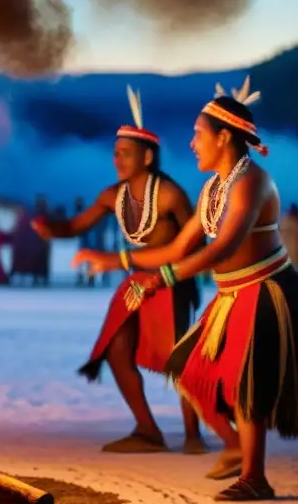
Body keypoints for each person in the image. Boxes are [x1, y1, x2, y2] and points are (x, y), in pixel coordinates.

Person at [74, 78, 298, 500]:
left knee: (249, 384)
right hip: (231, 294)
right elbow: (175, 246)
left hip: (266, 290)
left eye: (197, 134)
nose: (191, 143)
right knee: (187, 369)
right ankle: (234, 447)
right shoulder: (212, 189)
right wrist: (118, 260)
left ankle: (254, 476)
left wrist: (164, 279)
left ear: (224, 137)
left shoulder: (251, 182)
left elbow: (223, 245)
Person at [35, 86, 204, 454]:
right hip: (136, 278)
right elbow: (77, 226)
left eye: (125, 153)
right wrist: (52, 228)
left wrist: (169, 271)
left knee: (178, 359)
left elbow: (198, 242)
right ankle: (148, 430)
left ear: (147, 157)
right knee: (116, 350)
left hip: (171, 280)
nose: (117, 160)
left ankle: (194, 435)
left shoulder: (171, 195)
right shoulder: (112, 196)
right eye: (115, 153)